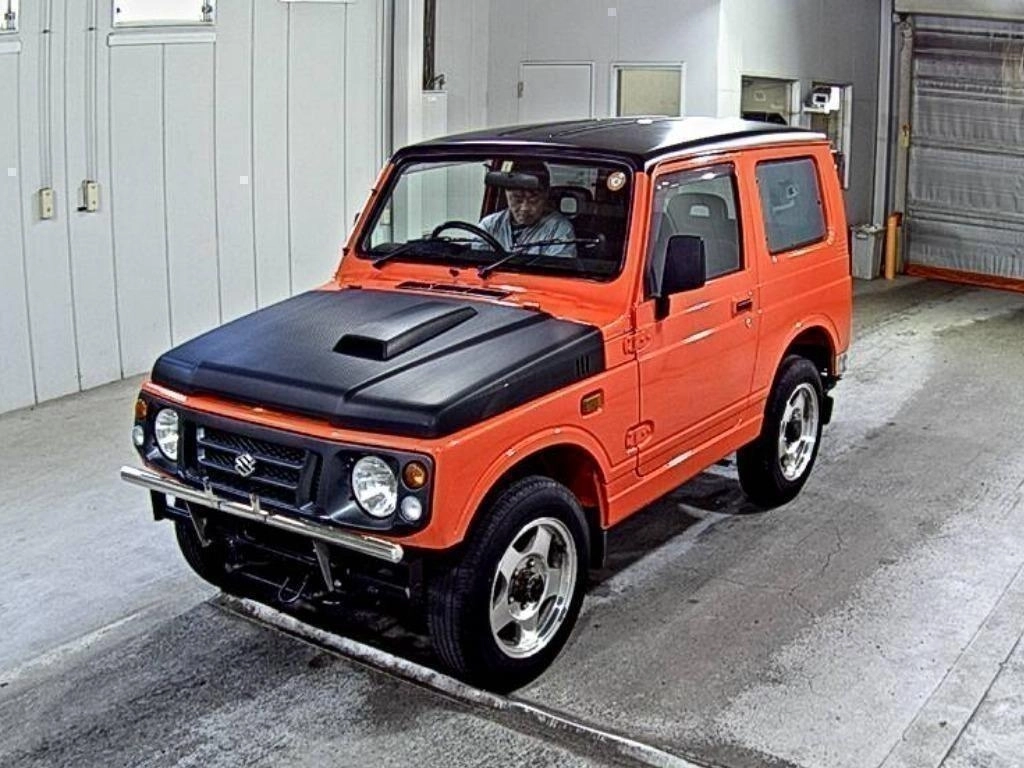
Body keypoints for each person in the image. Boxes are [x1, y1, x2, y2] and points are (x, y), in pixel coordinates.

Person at [479, 161, 577, 257]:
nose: (524, 208)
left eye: (533, 200)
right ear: (507, 194)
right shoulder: (490, 226)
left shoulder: (559, 229)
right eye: (517, 199)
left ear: (546, 195)